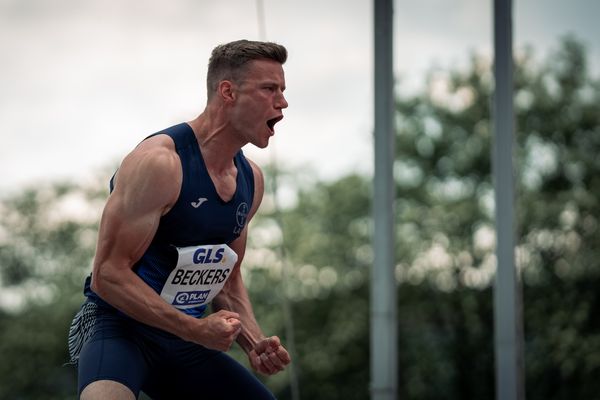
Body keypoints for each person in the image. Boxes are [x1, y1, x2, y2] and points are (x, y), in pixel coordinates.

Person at [67, 39, 291, 400]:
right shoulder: (160, 163)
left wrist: (253, 341)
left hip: (185, 338)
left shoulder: (252, 180)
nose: (282, 102)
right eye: (270, 89)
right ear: (227, 92)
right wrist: (194, 329)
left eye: (282, 90)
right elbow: (108, 275)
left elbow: (228, 281)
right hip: (122, 328)